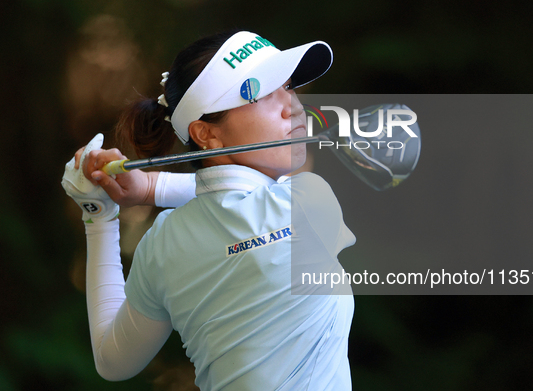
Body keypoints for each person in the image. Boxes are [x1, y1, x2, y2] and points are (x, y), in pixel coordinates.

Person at [62, 30, 356, 390]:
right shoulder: (311, 199)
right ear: (206, 135)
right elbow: (241, 206)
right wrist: (152, 189)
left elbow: (113, 360)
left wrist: (100, 216)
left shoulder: (162, 246)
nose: (292, 106)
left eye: (289, 86)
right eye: (263, 93)